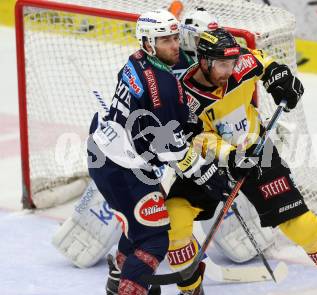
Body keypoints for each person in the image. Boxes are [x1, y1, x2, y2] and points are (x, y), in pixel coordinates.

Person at [164, 28, 317, 295]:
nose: (229, 70)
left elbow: (264, 62)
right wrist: (230, 156)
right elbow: (197, 139)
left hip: (259, 154)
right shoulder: (184, 96)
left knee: (300, 223)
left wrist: (279, 77)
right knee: (175, 214)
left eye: (232, 63)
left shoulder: (239, 64)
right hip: (211, 165)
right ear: (203, 61)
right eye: (222, 65)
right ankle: (190, 290)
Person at [87, 10, 231, 295]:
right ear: (149, 43)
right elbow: (172, 150)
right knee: (154, 240)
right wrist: (208, 175)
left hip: (108, 152)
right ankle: (128, 287)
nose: (175, 45)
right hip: (121, 167)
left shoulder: (136, 60)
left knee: (140, 225)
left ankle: (120, 279)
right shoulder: (164, 87)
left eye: (175, 37)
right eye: (165, 40)